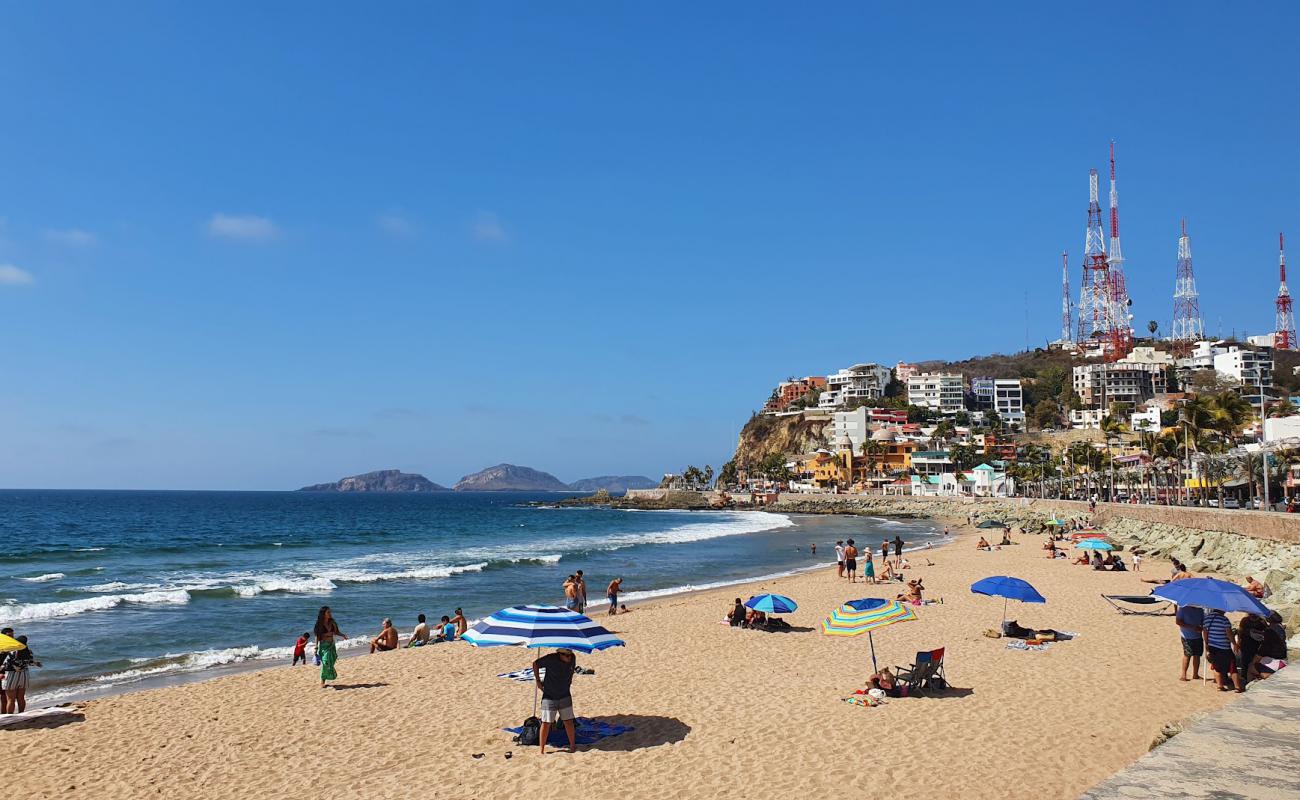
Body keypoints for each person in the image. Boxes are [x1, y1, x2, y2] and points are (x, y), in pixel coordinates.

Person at [533, 648, 578, 754]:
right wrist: (538, 681)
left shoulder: (573, 658)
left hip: (565, 695)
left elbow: (572, 670)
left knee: (568, 722)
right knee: (546, 723)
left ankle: (572, 746)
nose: (569, 658)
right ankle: (542, 750)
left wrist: (569, 680)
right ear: (560, 654)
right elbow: (535, 664)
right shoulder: (550, 659)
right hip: (549, 696)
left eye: (570, 655)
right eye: (567, 656)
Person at [1202, 608, 1243, 692]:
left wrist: (1206, 643)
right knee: (1232, 667)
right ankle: (1237, 687)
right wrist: (1234, 644)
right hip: (1224, 647)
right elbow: (1229, 633)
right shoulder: (1224, 619)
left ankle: (1220, 686)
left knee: (1216, 667)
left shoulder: (1207, 618)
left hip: (1212, 646)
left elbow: (1205, 632)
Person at [0, 635, 40, 714]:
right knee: (21, 698)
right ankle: (21, 713)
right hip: (24, 675)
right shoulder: (29, 652)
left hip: (12, 676)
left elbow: (6, 665)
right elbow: (30, 662)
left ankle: (10, 716)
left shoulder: (12, 652)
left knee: (10, 699)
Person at [313, 606, 347, 688]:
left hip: (331, 645)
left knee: (330, 662)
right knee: (325, 662)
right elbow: (317, 636)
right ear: (323, 614)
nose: (330, 614)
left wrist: (343, 635)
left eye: (330, 612)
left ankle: (325, 678)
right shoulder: (319, 624)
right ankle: (322, 681)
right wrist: (316, 647)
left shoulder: (332, 623)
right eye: (328, 612)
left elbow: (336, 632)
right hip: (324, 646)